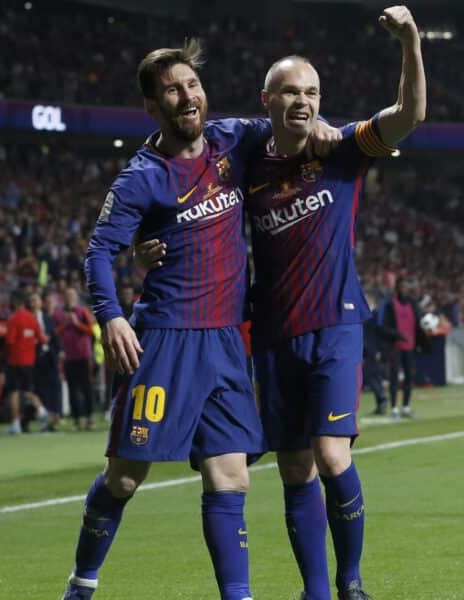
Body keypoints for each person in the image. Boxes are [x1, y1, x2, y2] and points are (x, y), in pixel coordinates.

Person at [63, 40, 338, 600]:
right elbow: (97, 252)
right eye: (171, 89)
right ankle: (81, 584)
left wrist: (324, 121)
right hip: (164, 340)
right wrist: (112, 317)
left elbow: (290, 119)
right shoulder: (141, 177)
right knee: (123, 478)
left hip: (227, 341)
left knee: (230, 476)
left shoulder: (232, 139)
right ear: (152, 105)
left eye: (191, 85)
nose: (187, 96)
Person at [243, 8, 424, 599]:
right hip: (272, 333)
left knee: (329, 454)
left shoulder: (343, 148)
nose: (304, 101)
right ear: (267, 99)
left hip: (336, 327)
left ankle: (350, 583)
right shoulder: (244, 164)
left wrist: (410, 43)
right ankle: (315, 591)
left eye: (313, 92)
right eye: (292, 91)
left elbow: (409, 116)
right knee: (293, 467)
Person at [375, 279, 429, 419]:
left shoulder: (412, 305)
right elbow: (381, 327)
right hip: (395, 347)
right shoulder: (390, 305)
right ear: (397, 288)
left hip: (410, 347)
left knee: (409, 377)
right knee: (394, 378)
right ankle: (394, 408)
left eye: (406, 287)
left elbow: (418, 324)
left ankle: (406, 407)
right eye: (402, 287)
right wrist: (398, 335)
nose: (405, 290)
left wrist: (422, 336)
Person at [3, 289, 50, 434]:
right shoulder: (32, 318)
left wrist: (4, 356)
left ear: (14, 302)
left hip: (14, 361)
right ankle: (42, 411)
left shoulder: (13, 319)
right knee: (29, 391)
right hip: (29, 362)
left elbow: (9, 342)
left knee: (14, 392)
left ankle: (15, 424)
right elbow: (43, 339)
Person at [58, 286, 97, 430]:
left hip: (83, 355)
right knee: (72, 388)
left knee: (86, 387)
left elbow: (91, 330)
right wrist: (65, 324)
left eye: (72, 295)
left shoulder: (83, 311)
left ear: (76, 297)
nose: (70, 298)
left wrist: (77, 324)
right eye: (67, 295)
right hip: (69, 356)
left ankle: (89, 418)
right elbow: (56, 332)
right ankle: (76, 420)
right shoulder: (60, 313)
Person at [31, 291, 62, 431]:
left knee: (54, 388)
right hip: (36, 359)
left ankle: (54, 418)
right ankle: (44, 421)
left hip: (50, 358)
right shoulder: (28, 318)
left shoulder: (47, 318)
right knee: (41, 391)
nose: (34, 303)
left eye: (36, 300)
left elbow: (55, 336)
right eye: (32, 300)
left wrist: (60, 350)